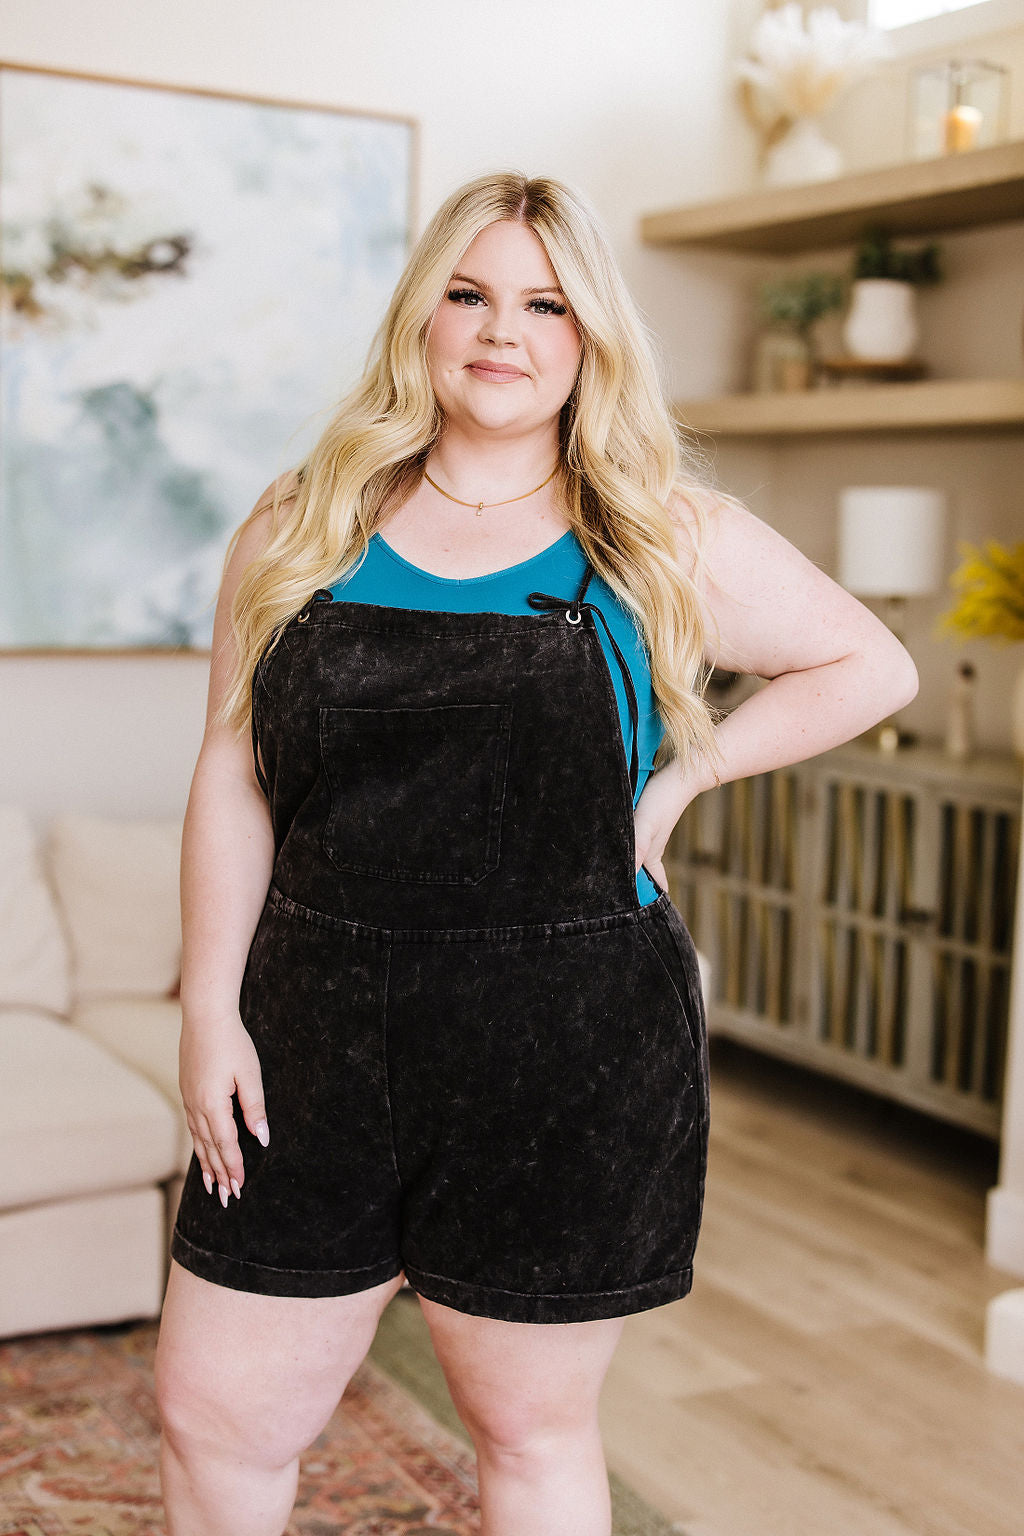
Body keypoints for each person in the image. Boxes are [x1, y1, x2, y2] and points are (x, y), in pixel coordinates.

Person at [153, 169, 918, 1536]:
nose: (502, 330)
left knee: (529, 1429)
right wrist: (208, 1006)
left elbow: (873, 663)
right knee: (216, 1418)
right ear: (423, 317)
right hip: (309, 1033)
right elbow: (232, 770)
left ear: (590, 335)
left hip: (565, 1043)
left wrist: (683, 780)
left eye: (546, 304)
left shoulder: (656, 531)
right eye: (470, 294)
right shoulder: (301, 519)